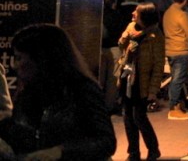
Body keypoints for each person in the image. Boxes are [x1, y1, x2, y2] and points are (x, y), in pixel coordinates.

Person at [0, 23, 116, 161]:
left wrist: (60, 152)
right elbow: (25, 137)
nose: (15, 65)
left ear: (42, 59)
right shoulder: (28, 93)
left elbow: (105, 142)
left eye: (19, 58)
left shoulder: (81, 90)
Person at [119, 2, 165, 161]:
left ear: (144, 16)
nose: (133, 13)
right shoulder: (131, 27)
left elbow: (158, 64)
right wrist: (127, 36)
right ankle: (133, 152)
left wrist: (153, 90)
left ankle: (153, 149)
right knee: (127, 117)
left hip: (142, 81)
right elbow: (120, 45)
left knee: (139, 117)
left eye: (136, 12)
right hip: (126, 78)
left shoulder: (155, 35)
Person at [163, 0, 188, 120]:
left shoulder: (168, 12)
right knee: (178, 80)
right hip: (181, 50)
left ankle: (177, 106)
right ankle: (174, 108)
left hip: (170, 50)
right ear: (186, 1)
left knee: (175, 79)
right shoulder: (182, 15)